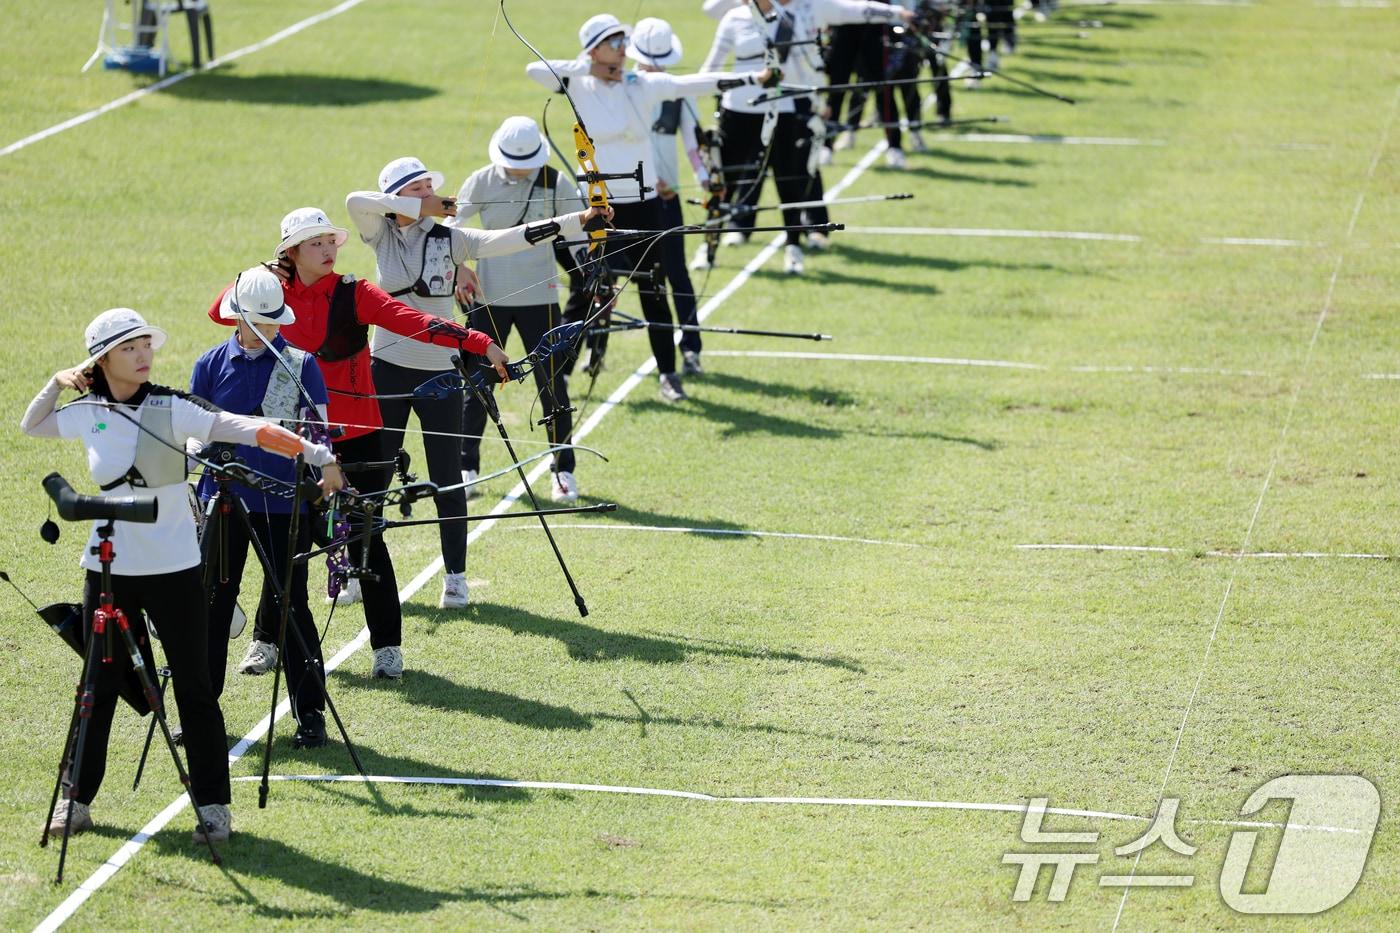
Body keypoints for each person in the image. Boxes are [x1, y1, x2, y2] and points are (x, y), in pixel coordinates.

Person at [20, 308, 338, 844]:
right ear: (101, 360)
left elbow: (253, 430)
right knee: (97, 686)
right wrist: (59, 379)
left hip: (174, 570)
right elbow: (33, 423)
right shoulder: (88, 410)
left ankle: (214, 807)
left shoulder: (173, 406)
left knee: (195, 688)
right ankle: (76, 800)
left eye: (146, 345)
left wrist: (317, 452)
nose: (144, 355)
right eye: (129, 349)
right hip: (108, 570)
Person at [347, 157, 608, 604]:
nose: (431, 193)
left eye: (432, 186)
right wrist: (418, 204)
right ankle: (357, 570)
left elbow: (508, 239)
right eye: (419, 188)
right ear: (397, 199)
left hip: (441, 374)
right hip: (386, 369)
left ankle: (455, 578)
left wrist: (577, 219)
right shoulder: (382, 234)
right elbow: (356, 201)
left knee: (447, 478)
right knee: (375, 476)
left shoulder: (452, 239)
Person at [525, 12, 776, 403]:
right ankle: (561, 376)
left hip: (645, 205)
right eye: (614, 44)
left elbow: (692, 83)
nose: (624, 51)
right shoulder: (578, 82)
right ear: (593, 49)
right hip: (599, 208)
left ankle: (669, 374)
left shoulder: (641, 84)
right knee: (588, 289)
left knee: (654, 289)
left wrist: (753, 78)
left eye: (624, 44)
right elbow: (534, 69)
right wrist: (591, 67)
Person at [190, 267, 345, 749]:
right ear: (241, 321)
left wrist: (324, 474)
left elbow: (318, 432)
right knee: (213, 607)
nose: (277, 329)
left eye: (279, 320)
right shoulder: (210, 364)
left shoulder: (301, 365)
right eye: (268, 321)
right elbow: (192, 428)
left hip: (283, 507)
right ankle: (200, 715)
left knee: (291, 606)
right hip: (227, 505)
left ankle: (311, 716)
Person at [703, 0, 913, 274]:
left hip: (787, 107)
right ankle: (711, 246)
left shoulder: (797, 14)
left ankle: (795, 245)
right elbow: (710, 57)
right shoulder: (735, 17)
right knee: (727, 179)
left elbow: (850, 14)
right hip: (739, 110)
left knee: (790, 177)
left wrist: (895, 12)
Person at [451, 116, 586, 502]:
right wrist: (461, 267)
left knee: (553, 385)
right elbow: (451, 227)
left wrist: (591, 265)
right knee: (478, 384)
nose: (522, 168)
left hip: (540, 298)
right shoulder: (480, 180)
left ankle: (563, 471)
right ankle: (466, 467)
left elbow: (578, 229)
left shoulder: (553, 180)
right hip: (488, 298)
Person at [628, 17, 710, 378]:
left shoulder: (677, 88)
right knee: (607, 276)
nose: (654, 67)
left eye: (659, 60)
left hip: (667, 198)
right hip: (627, 198)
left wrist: (706, 178)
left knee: (676, 273)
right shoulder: (620, 87)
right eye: (649, 60)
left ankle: (690, 348)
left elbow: (693, 140)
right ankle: (591, 349)